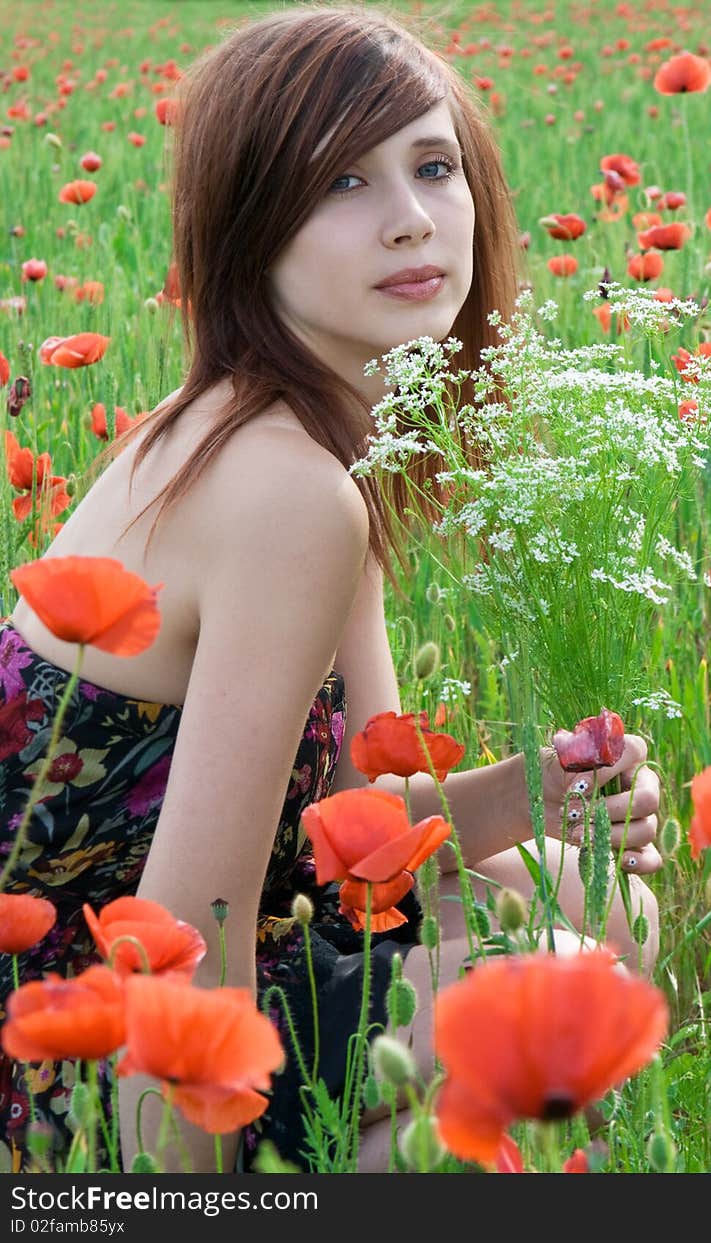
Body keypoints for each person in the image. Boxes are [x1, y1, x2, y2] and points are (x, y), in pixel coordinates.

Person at [0, 3, 662, 1176]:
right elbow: (189, 939)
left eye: (432, 164)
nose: (411, 222)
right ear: (253, 226)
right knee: (564, 999)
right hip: (65, 1041)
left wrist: (541, 797)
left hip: (153, 937)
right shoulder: (285, 495)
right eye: (342, 182)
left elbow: (355, 822)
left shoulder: (291, 436)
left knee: (587, 895)